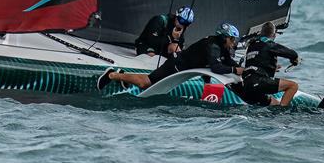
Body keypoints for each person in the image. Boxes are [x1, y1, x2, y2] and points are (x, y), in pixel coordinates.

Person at [99, 22, 244, 90]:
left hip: (184, 64)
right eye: (232, 39)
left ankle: (125, 77)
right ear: (224, 37)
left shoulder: (220, 45)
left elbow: (228, 60)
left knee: (148, 81)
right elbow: (216, 67)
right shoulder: (213, 46)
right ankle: (113, 75)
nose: (233, 43)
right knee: (146, 83)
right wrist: (234, 71)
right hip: (176, 64)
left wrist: (242, 69)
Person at [234, 21, 300, 107]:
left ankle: (277, 107)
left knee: (274, 103)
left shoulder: (252, 45)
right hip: (259, 83)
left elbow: (255, 63)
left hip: (247, 85)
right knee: (293, 86)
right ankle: (282, 112)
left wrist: (272, 68)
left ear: (261, 33)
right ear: (274, 35)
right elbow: (292, 54)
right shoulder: (269, 44)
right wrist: (295, 59)